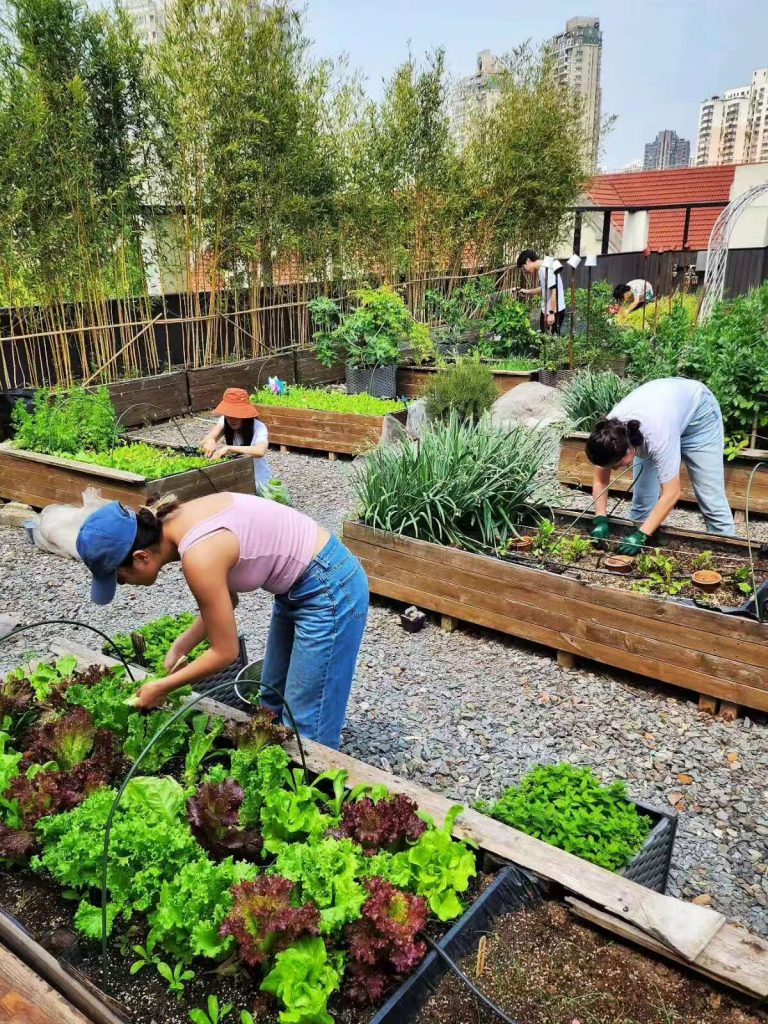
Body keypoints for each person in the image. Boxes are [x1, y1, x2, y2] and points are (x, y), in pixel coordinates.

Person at [75, 492, 369, 749]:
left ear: (141, 557)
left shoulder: (198, 555)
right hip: (297, 584)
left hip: (329, 588)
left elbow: (225, 652)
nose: (125, 585)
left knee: (307, 721)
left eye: (121, 579)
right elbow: (228, 601)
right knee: (271, 699)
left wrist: (163, 687)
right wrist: (181, 646)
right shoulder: (174, 521)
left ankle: (316, 798)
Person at [585, 377, 735, 555]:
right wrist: (600, 518)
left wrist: (641, 536)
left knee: (711, 500)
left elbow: (671, 493)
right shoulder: (608, 436)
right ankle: (634, 555)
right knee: (642, 502)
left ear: (630, 449)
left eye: (617, 465)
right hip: (663, 413)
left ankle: (728, 556)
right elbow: (601, 481)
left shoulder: (657, 437)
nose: (615, 469)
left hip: (698, 418)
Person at [201, 388, 272, 493]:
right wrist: (210, 441)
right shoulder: (224, 421)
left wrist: (229, 448)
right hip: (236, 476)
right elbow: (204, 441)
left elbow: (260, 451)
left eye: (236, 414)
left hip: (257, 479)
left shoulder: (259, 427)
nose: (231, 418)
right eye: (228, 414)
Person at [516, 249, 566, 335]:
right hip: (549, 309)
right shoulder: (542, 268)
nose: (525, 271)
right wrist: (527, 291)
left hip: (553, 311)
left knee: (550, 341)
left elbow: (555, 291)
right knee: (545, 338)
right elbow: (545, 288)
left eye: (524, 267)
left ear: (528, 261)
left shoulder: (545, 268)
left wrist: (551, 313)